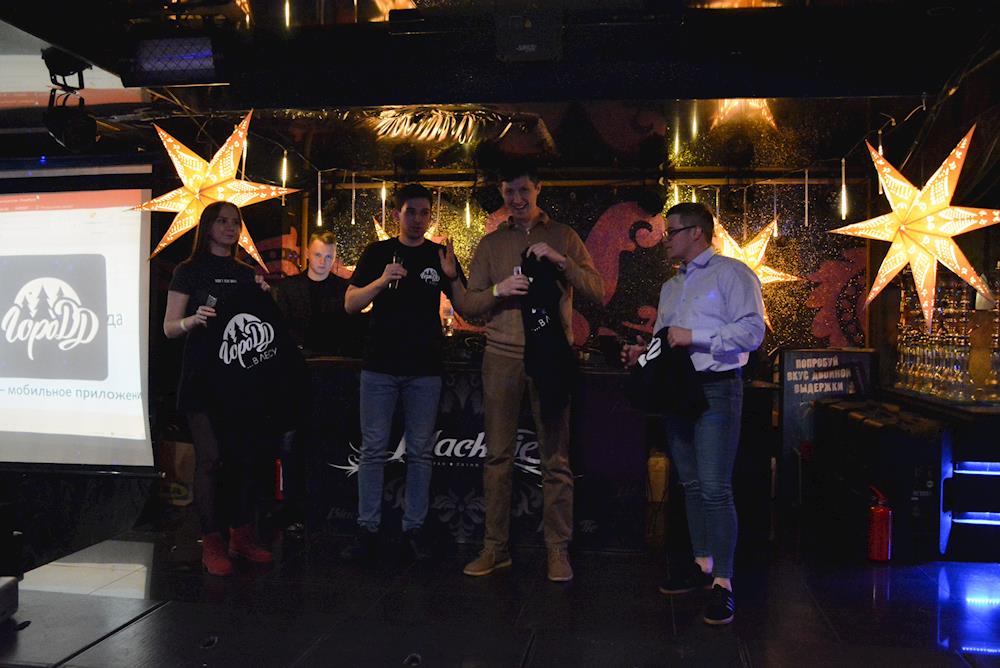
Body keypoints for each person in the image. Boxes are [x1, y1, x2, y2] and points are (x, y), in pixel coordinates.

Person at [458, 162, 604, 583]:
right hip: (501, 355)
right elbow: (468, 306)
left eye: (524, 190)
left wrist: (561, 261)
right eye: (509, 192)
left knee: (555, 458)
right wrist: (499, 290)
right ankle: (495, 548)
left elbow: (597, 290)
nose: (517, 199)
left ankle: (558, 549)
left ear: (539, 189)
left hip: (552, 358)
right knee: (497, 457)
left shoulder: (564, 236)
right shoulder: (491, 243)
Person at [623, 201, 765, 625]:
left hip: (718, 388)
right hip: (677, 390)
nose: (665, 240)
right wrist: (642, 355)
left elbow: (752, 331)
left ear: (696, 233)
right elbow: (665, 343)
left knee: (715, 487)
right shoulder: (671, 287)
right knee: (690, 483)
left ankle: (724, 582)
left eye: (672, 232)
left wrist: (695, 336)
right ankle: (702, 565)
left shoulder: (733, 274)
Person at [342, 183, 465, 561]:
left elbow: (466, 306)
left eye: (424, 213)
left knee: (420, 453)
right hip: (380, 366)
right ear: (397, 214)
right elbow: (350, 304)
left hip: (424, 369)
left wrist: (452, 276)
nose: (418, 219)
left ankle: (415, 529)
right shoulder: (378, 251)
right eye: (411, 211)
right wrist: (381, 281)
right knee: (373, 449)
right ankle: (368, 529)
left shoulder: (438, 254)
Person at [163, 201, 275, 576]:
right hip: (200, 379)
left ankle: (241, 537)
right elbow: (169, 327)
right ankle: (210, 542)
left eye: (235, 222)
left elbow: (262, 325)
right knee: (210, 459)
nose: (230, 227)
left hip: (239, 382)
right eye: (223, 221)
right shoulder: (188, 270)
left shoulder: (246, 273)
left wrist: (264, 294)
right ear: (208, 226)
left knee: (243, 460)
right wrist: (192, 320)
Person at [272, 230, 362, 357]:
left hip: (335, 359)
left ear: (334, 258)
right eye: (318, 255)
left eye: (328, 257)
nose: (322, 262)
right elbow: (281, 327)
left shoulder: (345, 289)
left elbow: (351, 330)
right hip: (298, 358)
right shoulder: (288, 287)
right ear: (307, 253)